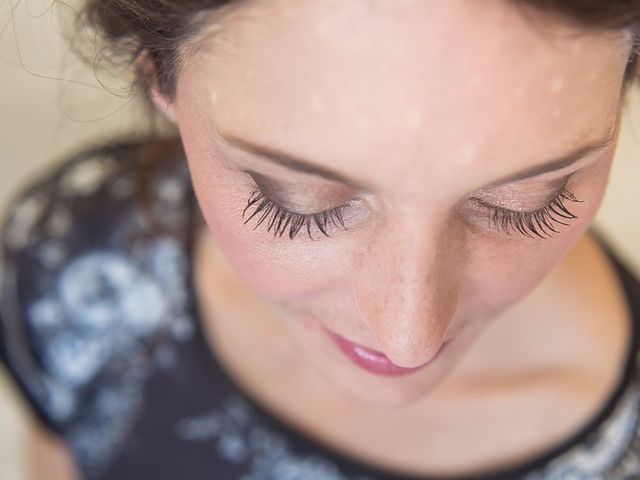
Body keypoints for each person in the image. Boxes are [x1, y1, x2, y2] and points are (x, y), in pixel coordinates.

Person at [2, 1, 640, 479]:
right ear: (161, 78)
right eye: (296, 202)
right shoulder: (71, 270)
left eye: (526, 203)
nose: (408, 337)